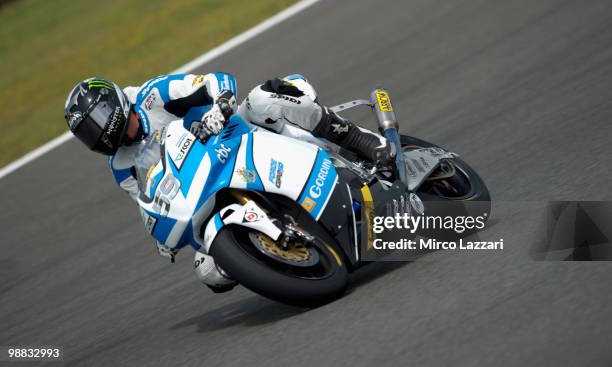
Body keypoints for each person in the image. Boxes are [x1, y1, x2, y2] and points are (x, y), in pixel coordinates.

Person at [64, 73, 392, 293]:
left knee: (264, 98)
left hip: (236, 135)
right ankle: (282, 253)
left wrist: (219, 107)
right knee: (209, 272)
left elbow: (217, 80)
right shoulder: (120, 167)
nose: (96, 135)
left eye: (95, 123)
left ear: (113, 105)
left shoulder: (151, 95)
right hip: (204, 186)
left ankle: (359, 139)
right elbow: (148, 201)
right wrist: (162, 235)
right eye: (86, 134)